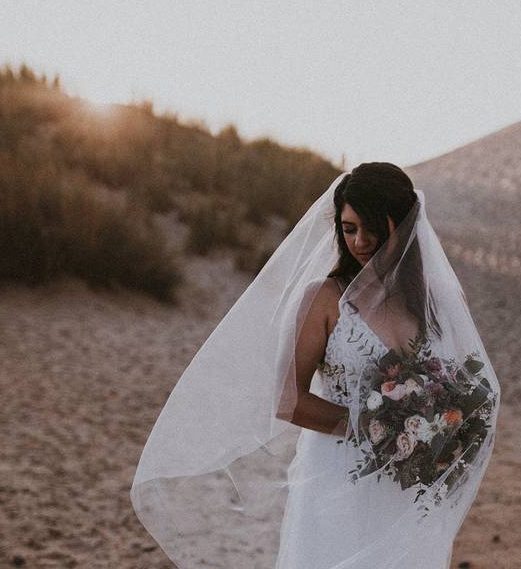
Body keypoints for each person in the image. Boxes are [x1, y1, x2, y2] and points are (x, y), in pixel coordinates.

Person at [131, 162, 501, 569]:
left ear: (404, 223)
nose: (360, 241)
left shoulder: (440, 303)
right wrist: (378, 428)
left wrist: (446, 435)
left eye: (373, 227)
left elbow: (465, 393)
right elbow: (289, 401)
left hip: (409, 487)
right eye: (349, 228)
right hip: (337, 476)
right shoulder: (325, 298)